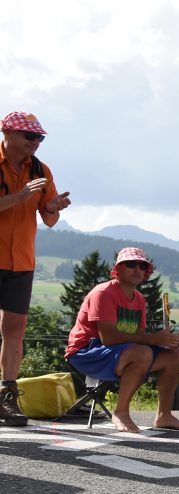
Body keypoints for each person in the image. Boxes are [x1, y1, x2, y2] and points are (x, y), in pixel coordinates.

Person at [64, 247, 179, 433]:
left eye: (142, 265)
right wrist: (154, 339)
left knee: (172, 357)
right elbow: (108, 338)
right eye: (131, 264)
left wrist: (165, 341)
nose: (137, 269)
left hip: (118, 351)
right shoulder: (103, 293)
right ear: (118, 269)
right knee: (143, 353)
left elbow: (140, 336)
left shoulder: (139, 298)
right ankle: (121, 412)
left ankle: (164, 415)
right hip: (85, 352)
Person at [0, 111, 71, 425]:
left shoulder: (41, 170)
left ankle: (7, 399)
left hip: (22, 262)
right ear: (7, 133)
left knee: (14, 332)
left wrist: (53, 207)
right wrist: (19, 197)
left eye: (40, 138)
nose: (35, 142)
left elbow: (49, 218)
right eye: (30, 136)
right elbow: (20, 200)